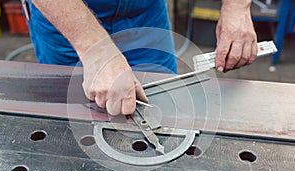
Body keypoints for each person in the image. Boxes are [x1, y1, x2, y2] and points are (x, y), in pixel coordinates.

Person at [26, 0, 257, 115]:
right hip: (67, 13)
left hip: (144, 9)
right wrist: (95, 49)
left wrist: (236, 6)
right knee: (76, 125)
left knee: (166, 109)